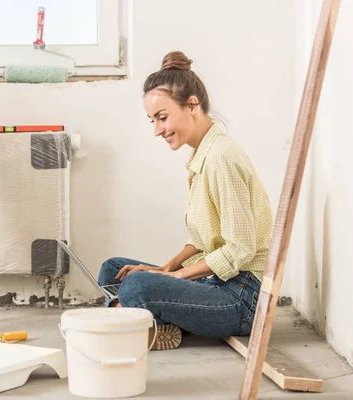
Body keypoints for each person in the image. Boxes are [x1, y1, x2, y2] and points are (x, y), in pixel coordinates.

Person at [98, 51, 273, 350]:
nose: (157, 130)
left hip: (241, 298)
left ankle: (136, 320)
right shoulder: (201, 155)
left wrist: (175, 276)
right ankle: (145, 318)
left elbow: (239, 250)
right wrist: (167, 267)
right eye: (152, 120)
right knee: (113, 268)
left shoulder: (221, 159)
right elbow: (204, 238)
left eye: (162, 118)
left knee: (137, 285)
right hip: (214, 282)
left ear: (192, 105)